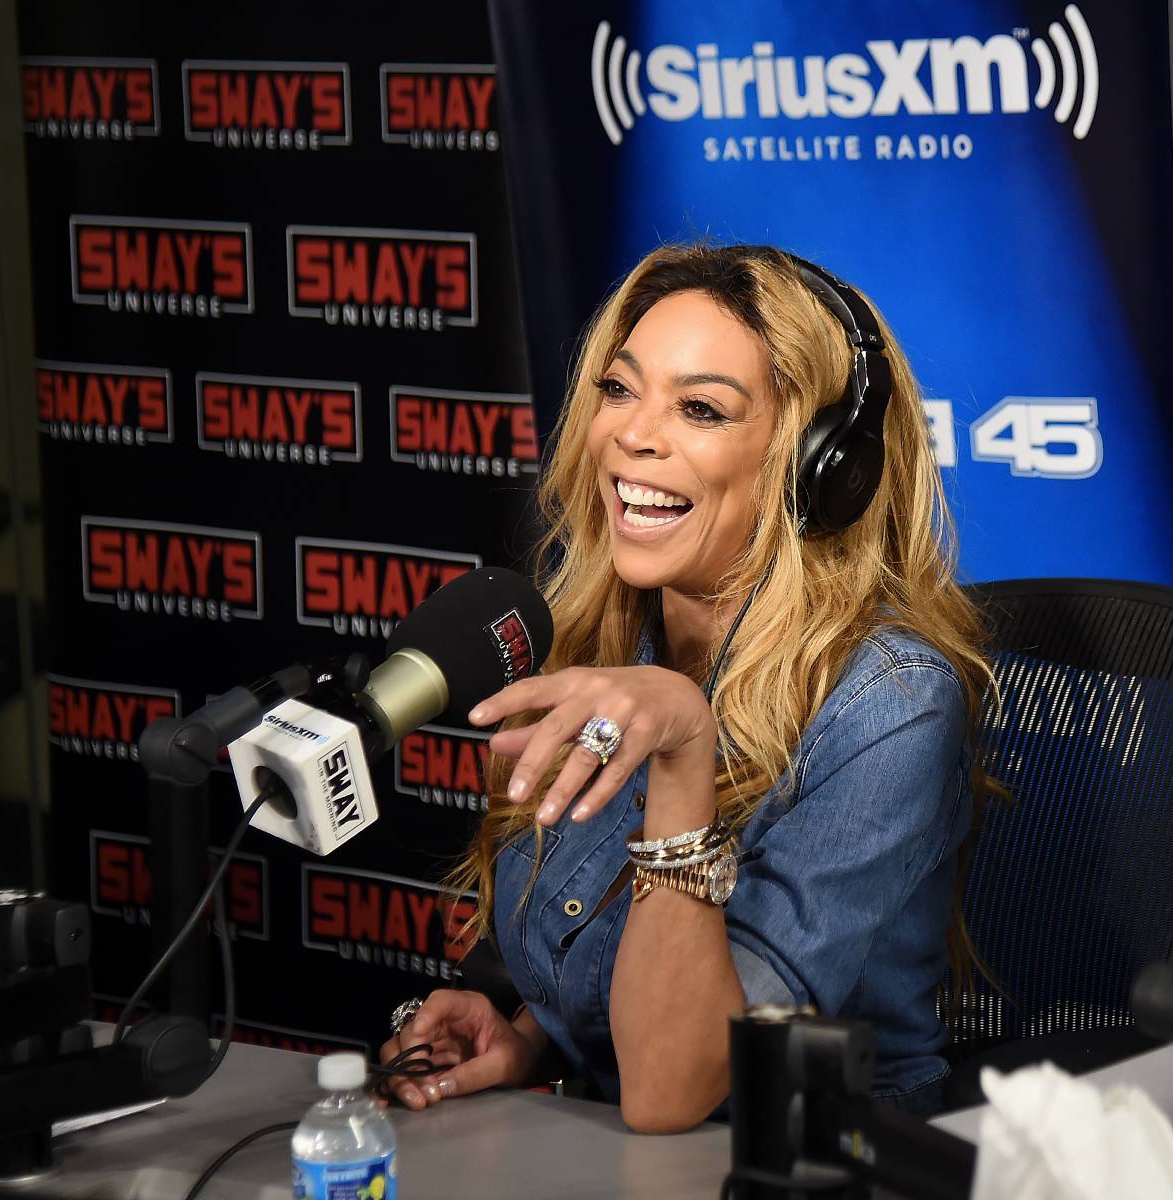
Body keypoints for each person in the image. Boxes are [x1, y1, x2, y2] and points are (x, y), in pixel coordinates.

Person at [378, 243, 998, 1132]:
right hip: (607, 1151)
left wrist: (683, 755)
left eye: (700, 408)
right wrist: (532, 1037)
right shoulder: (600, 634)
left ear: (819, 466)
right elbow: (629, 980)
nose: (633, 434)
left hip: (824, 1156)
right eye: (620, 389)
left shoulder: (891, 705)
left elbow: (676, 1087)